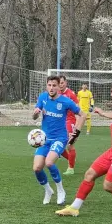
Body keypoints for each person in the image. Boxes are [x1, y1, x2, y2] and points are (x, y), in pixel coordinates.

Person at [56, 80, 112, 217]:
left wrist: (103, 113)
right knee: (89, 174)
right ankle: (74, 208)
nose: (111, 94)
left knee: (108, 186)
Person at [33, 76, 86, 205]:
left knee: (49, 162)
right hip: (44, 139)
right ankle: (48, 190)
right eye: (49, 85)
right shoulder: (42, 98)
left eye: (54, 85)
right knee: (37, 168)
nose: (51, 88)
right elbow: (35, 117)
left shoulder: (66, 101)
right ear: (46, 86)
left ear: (59, 87)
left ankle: (61, 190)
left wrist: (76, 132)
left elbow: (83, 115)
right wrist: (36, 113)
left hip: (60, 138)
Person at [59, 75, 80, 175]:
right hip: (59, 122)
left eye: (62, 83)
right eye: (59, 83)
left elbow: (78, 110)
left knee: (69, 145)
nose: (60, 85)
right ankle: (71, 158)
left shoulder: (71, 94)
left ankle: (71, 168)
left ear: (66, 83)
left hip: (70, 121)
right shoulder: (56, 93)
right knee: (58, 145)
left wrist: (78, 126)